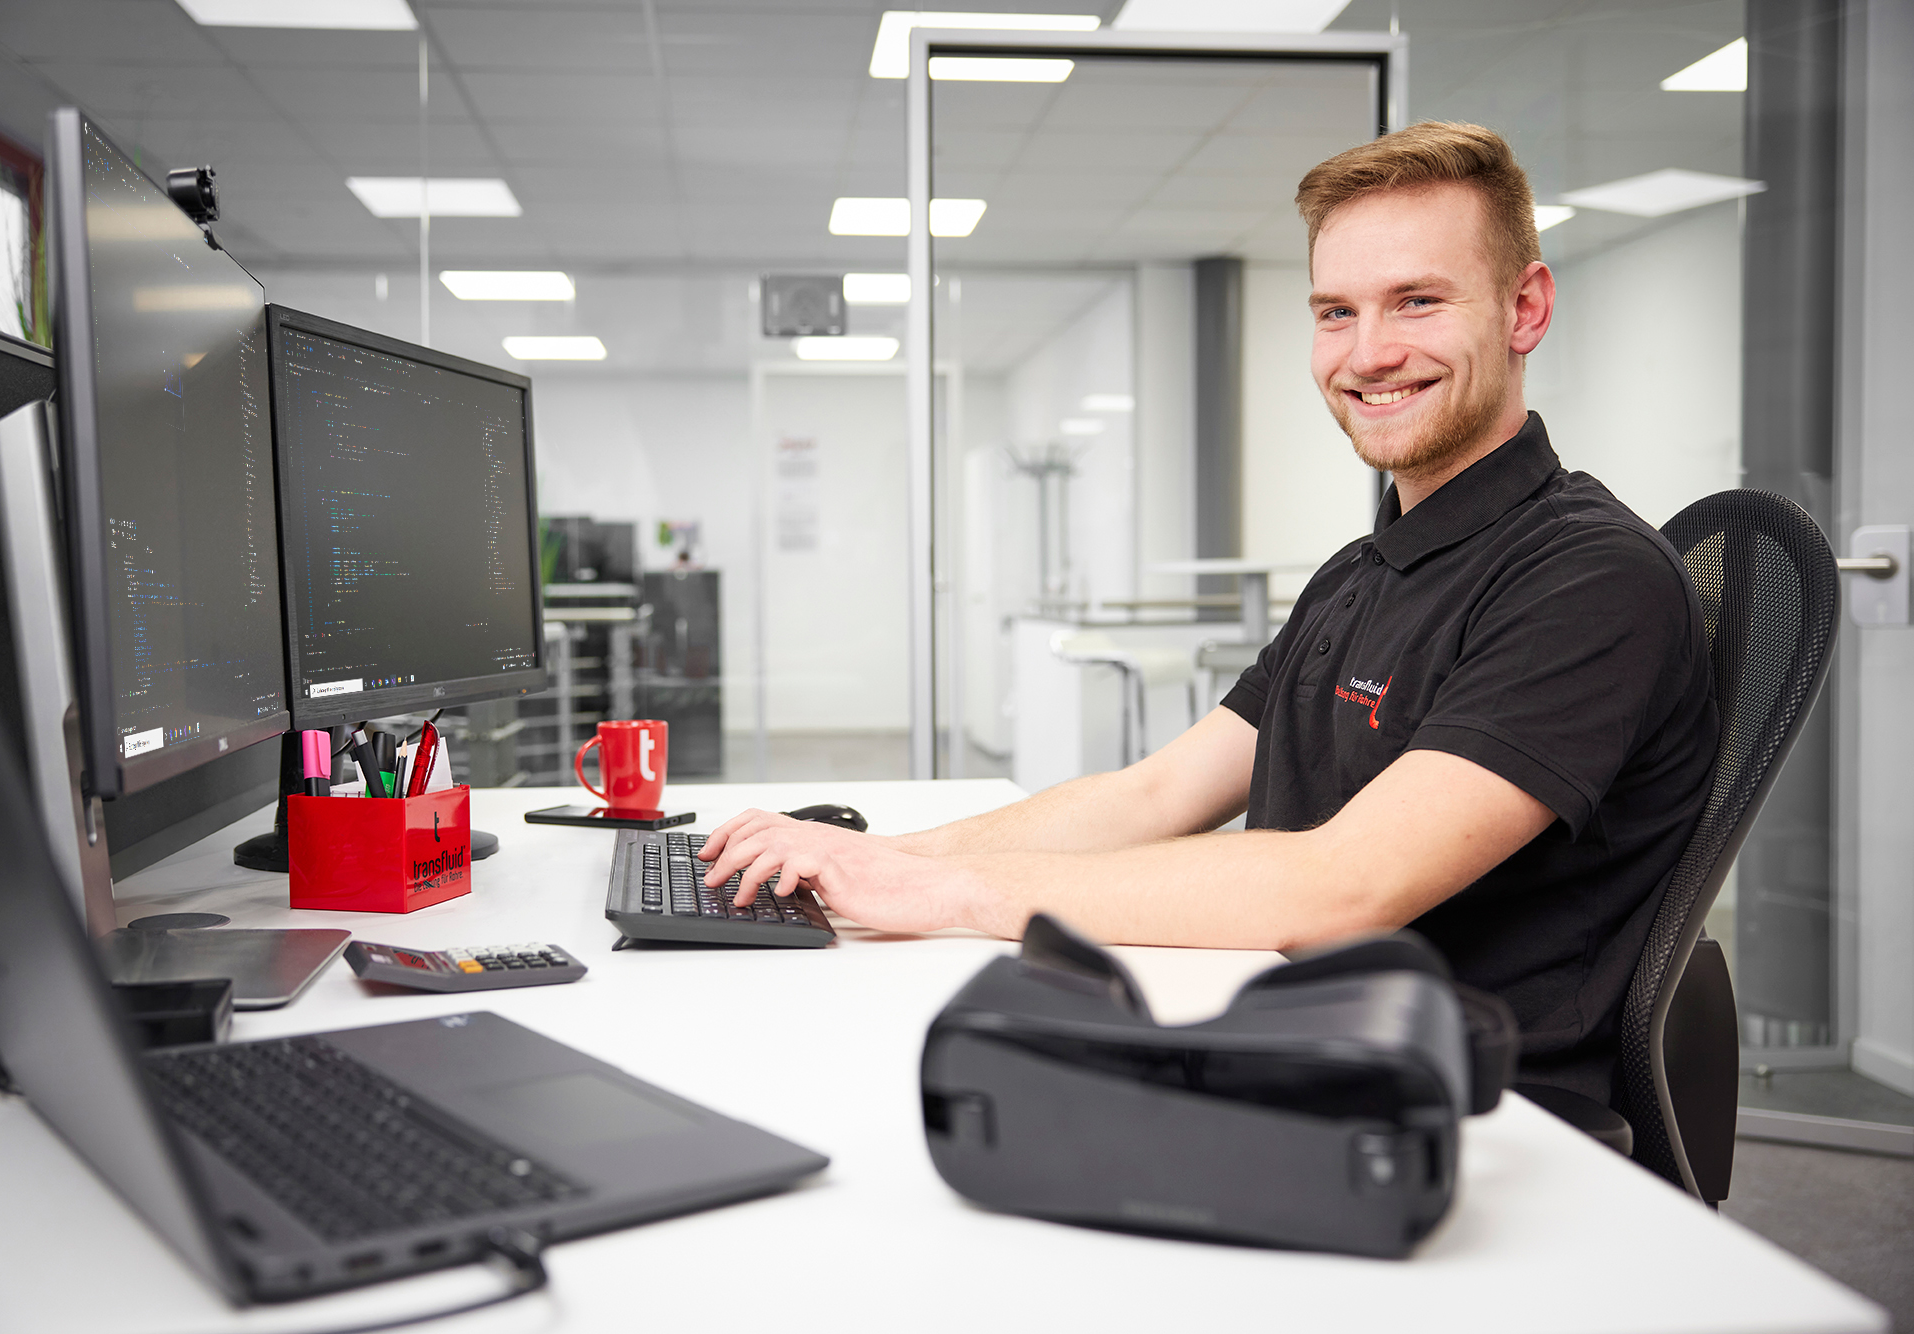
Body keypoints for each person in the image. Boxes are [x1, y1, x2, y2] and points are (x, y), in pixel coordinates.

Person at [700, 122, 1719, 1103]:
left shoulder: (1585, 575)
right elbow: (1153, 794)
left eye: (1414, 302)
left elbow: (1344, 885)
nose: (1366, 352)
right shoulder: (1364, 570)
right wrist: (881, 858)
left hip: (1447, 1102)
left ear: (1523, 308)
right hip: (1282, 1025)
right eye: (1334, 311)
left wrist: (954, 895)